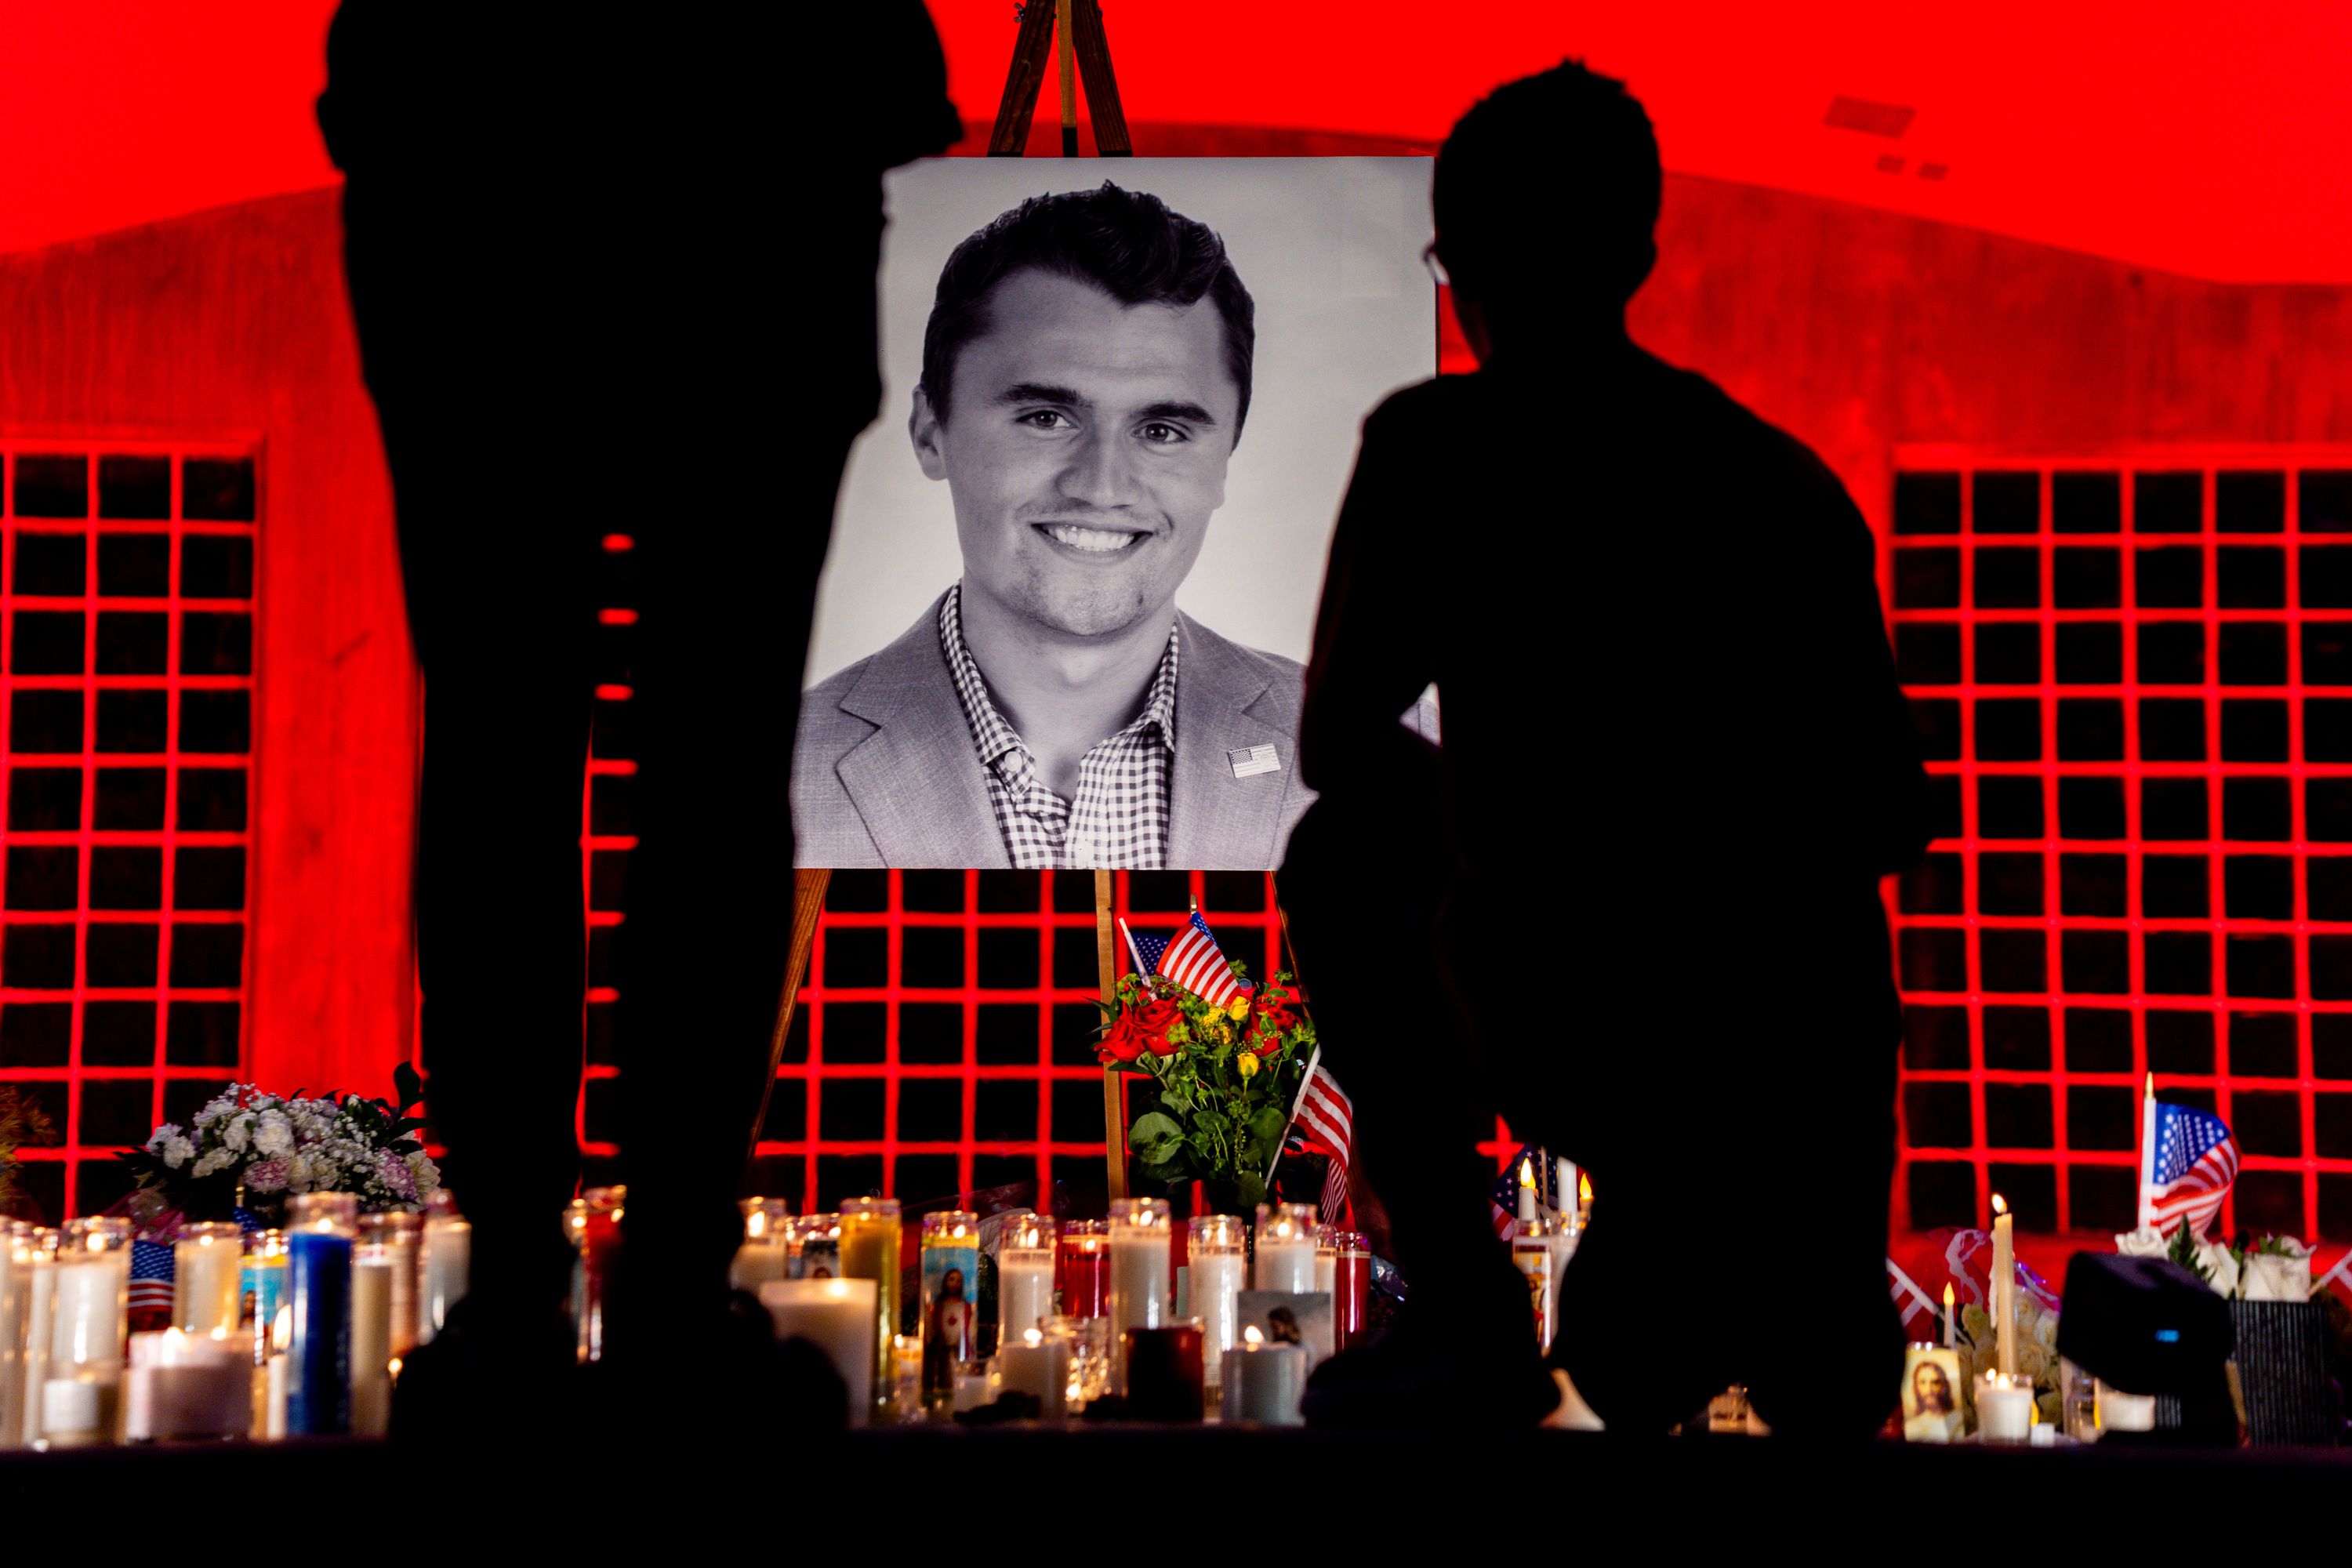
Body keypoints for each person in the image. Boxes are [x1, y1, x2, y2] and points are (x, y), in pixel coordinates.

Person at [320, 1, 958, 1432]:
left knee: (504, 747)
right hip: (748, 151)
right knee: (709, 767)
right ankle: (664, 1279)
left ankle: (518, 1293)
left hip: (476, 145)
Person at [1284, 61, 1927, 1433]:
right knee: (1733, 1362)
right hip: (1785, 1034)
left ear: (1457, 266)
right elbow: (1888, 815)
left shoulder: (1437, 450)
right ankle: (1754, 1290)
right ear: (1640, 248)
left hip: (1588, 1001)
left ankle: (1468, 1303)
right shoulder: (1780, 483)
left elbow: (1340, 744)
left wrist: (1523, 825)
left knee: (1340, 856)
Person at [793, 183, 1313, 871]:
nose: (1100, 487)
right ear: (930, 431)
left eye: (1162, 430)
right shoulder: (774, 772)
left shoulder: (1397, 760)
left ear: (1226, 455)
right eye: (1046, 418)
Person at [1903, 1356, 1962, 1442]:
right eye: (1923, 1382)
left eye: (1935, 1382)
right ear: (1916, 1387)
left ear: (1944, 1386)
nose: (1929, 1390)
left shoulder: (1958, 1422)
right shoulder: (1912, 1425)